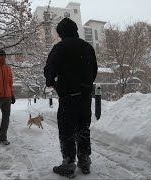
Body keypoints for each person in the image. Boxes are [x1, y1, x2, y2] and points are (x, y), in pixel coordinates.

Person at [44, 18, 98, 178]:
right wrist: (86, 85)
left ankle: (68, 163)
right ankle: (84, 159)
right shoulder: (88, 47)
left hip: (68, 96)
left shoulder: (59, 48)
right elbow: (94, 70)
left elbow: (49, 71)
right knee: (83, 127)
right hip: (85, 96)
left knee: (67, 130)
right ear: (75, 30)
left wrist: (53, 83)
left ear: (61, 33)